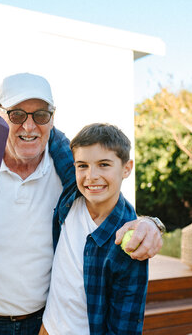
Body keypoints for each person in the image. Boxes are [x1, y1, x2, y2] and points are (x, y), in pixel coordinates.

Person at [0, 73, 163, 335]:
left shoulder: (67, 170)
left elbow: (109, 198)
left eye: (41, 115)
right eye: (17, 114)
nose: (30, 126)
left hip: (41, 325)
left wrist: (150, 223)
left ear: (53, 118)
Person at [39, 123, 149, 335]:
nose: (91, 176)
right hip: (47, 328)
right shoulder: (73, 191)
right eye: (83, 165)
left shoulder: (130, 240)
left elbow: (124, 325)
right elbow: (48, 131)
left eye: (104, 164)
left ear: (126, 168)